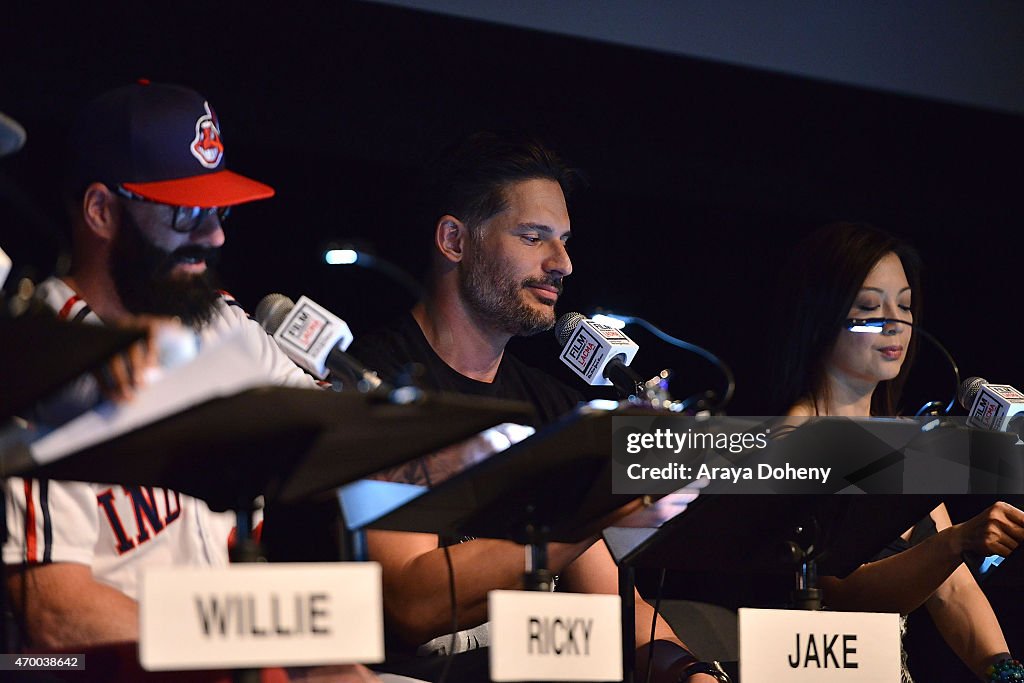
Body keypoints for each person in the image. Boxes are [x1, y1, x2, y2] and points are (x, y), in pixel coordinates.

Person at [349, 132, 727, 683]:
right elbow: (414, 605)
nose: (563, 264)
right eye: (533, 238)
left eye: (565, 241)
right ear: (454, 240)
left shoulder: (553, 406)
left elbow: (617, 611)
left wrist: (692, 673)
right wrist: (595, 512)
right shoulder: (376, 383)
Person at [1, 81, 319, 651]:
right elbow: (57, 618)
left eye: (217, 209)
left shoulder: (221, 324)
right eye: (186, 214)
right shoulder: (35, 361)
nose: (215, 234)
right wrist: (255, 650)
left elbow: (345, 436)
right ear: (101, 210)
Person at [771, 221, 1024, 682]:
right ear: (821, 316)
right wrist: (958, 541)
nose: (895, 322)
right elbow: (843, 591)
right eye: (870, 306)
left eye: (905, 305)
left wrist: (1005, 673)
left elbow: (955, 593)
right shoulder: (793, 439)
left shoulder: (908, 439)